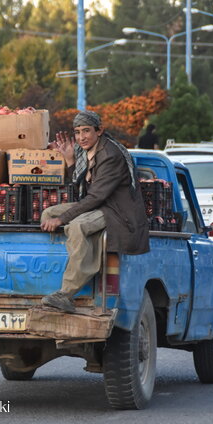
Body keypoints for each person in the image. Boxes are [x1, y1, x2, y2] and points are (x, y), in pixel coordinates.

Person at [40, 110, 150, 313]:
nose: (81, 137)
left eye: (86, 131)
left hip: (115, 211)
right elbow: (83, 188)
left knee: (77, 226)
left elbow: (95, 197)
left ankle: (66, 293)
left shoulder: (110, 155)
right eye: (77, 132)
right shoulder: (85, 151)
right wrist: (70, 161)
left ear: (99, 131)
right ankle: (73, 262)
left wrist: (63, 219)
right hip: (98, 204)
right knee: (48, 215)